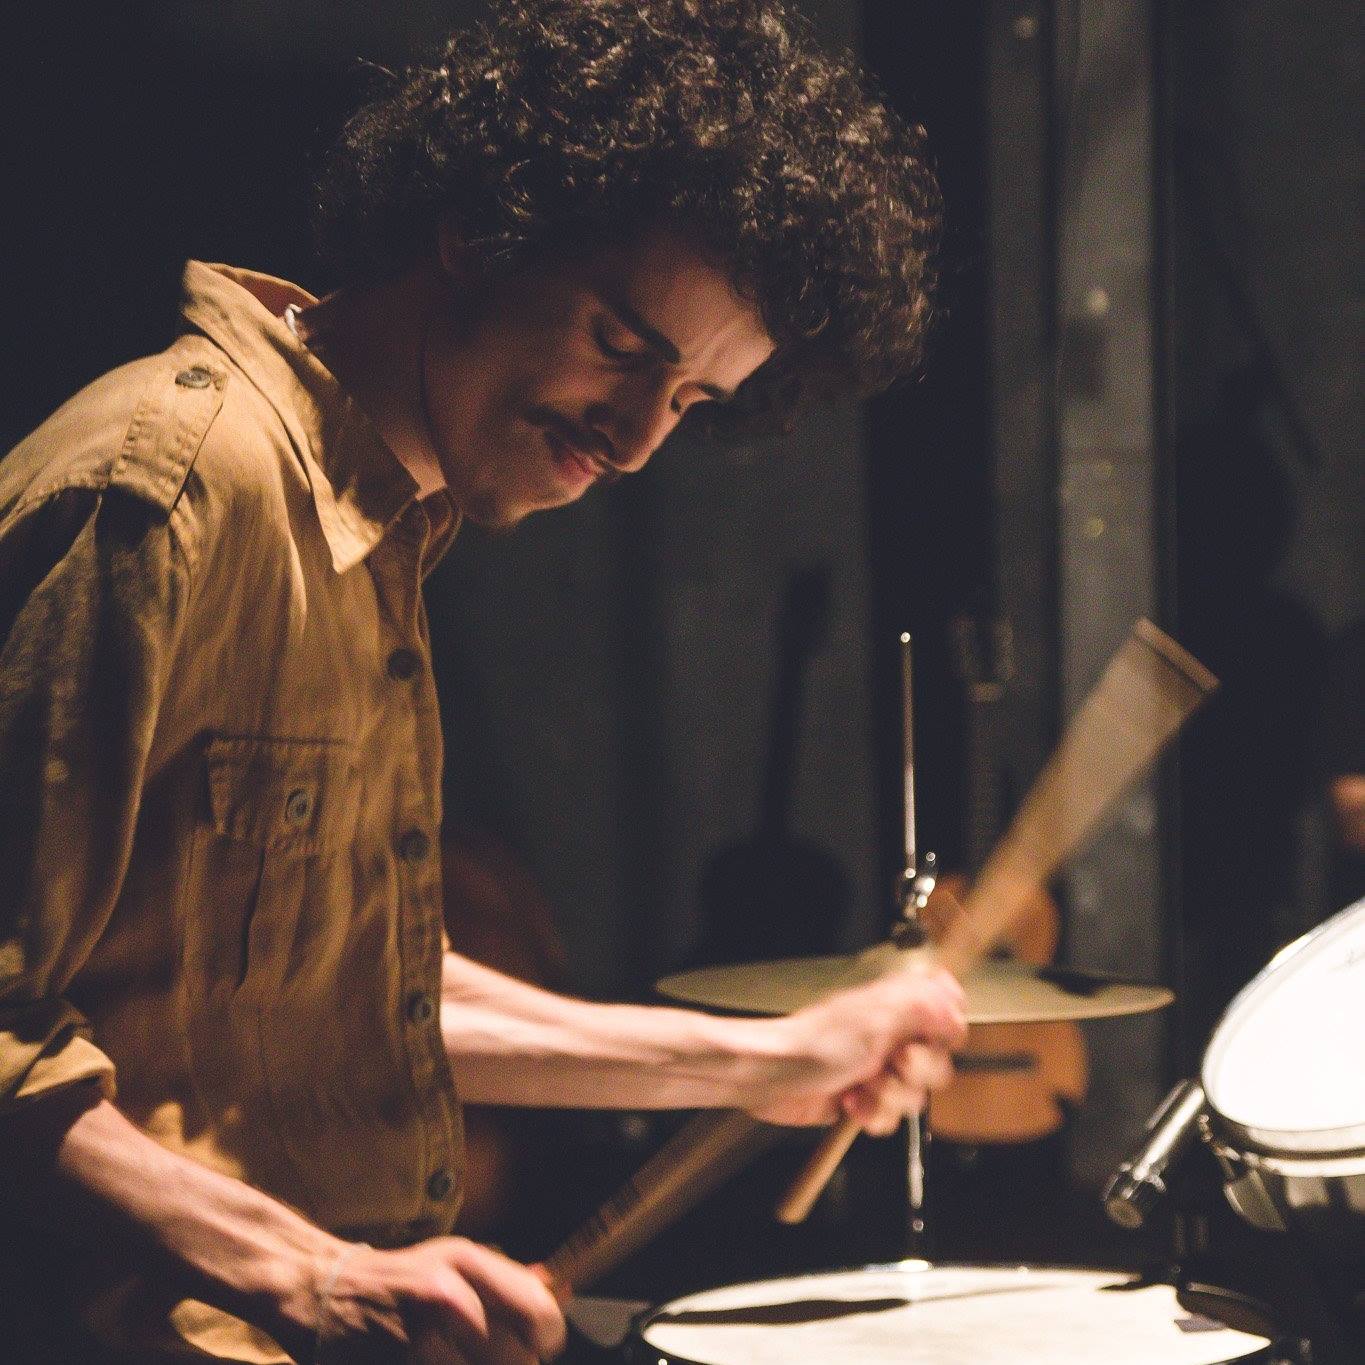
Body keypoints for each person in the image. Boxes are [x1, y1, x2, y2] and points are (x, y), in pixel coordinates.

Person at [0, 2, 965, 1360]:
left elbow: (347, 993)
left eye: (690, 399)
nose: (636, 440)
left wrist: (759, 1062)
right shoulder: (171, 489)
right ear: (480, 232)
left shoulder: (376, 523)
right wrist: (308, 1269)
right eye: (623, 345)